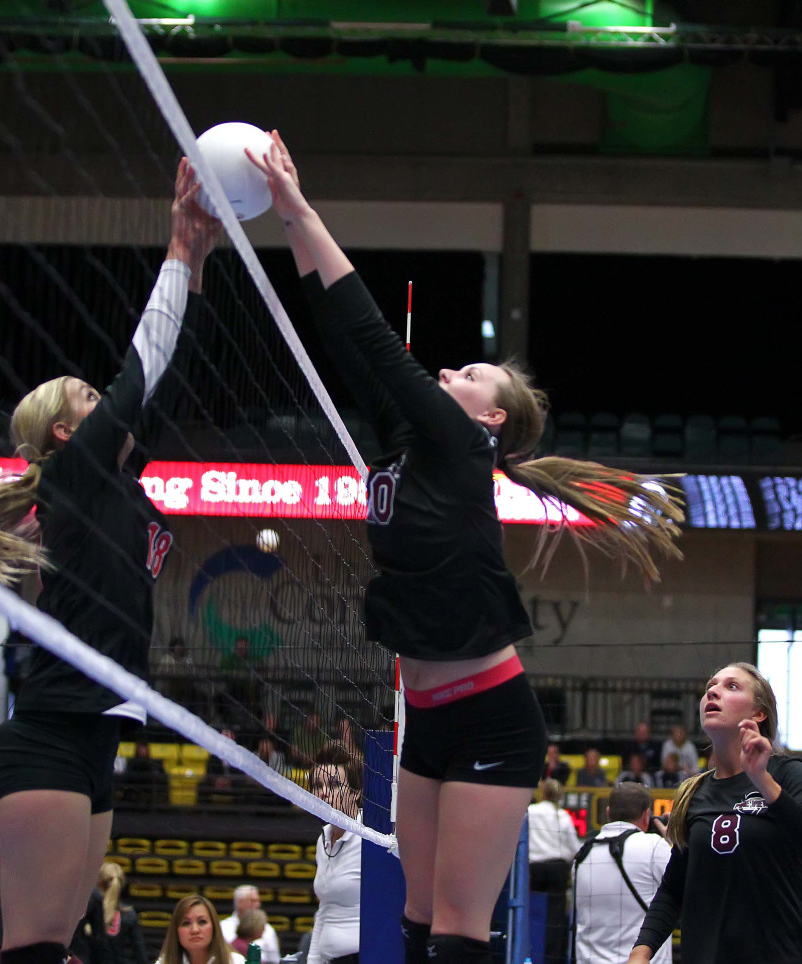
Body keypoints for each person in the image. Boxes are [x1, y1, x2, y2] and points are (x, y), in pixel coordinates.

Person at [246, 134, 683, 964]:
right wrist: (287, 222)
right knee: (413, 926)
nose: (452, 368)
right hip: (428, 721)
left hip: (490, 716)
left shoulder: (456, 444)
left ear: (491, 421)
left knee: (455, 932)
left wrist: (299, 209)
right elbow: (343, 341)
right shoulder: (410, 441)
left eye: (472, 372)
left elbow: (374, 337)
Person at [0, 160, 220, 964]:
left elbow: (168, 371)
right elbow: (139, 373)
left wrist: (197, 263)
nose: (106, 406)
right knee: (31, 951)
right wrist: (173, 245)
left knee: (58, 947)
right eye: (88, 402)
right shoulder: (76, 477)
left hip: (98, 737)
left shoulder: (116, 483)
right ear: (65, 434)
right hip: (52, 734)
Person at [629, 663, 802, 964]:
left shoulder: (788, 774)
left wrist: (761, 778)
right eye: (711, 685)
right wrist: (640, 954)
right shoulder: (693, 793)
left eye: (731, 686)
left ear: (758, 713)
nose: (713, 691)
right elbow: (674, 887)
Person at [573, 782, 672, 964]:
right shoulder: (654, 846)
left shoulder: (582, 854)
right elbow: (688, 887)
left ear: (608, 812)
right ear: (646, 815)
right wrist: (675, 843)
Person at [307, 744, 362, 964]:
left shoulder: (371, 839)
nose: (324, 793)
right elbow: (324, 909)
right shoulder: (323, 839)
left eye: (333, 785)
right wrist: (313, 960)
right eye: (317, 785)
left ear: (356, 792)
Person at [527, 779, 580, 964]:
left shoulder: (530, 812)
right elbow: (574, 848)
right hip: (557, 870)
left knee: (530, 911)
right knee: (555, 918)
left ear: (543, 793)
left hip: (533, 868)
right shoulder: (563, 815)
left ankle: (530, 954)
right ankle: (553, 958)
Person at [157, 895, 244, 964]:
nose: (195, 930)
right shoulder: (164, 962)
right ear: (176, 931)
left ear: (214, 927)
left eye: (202, 922)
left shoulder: (236, 962)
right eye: (186, 923)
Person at [97, 862, 149, 964]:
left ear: (98, 882)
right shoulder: (129, 914)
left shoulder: (89, 911)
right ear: (122, 884)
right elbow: (140, 951)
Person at [219, 887, 280, 964]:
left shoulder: (269, 929)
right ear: (240, 902)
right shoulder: (222, 926)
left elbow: (275, 960)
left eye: (258, 901)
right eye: (253, 901)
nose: (258, 905)